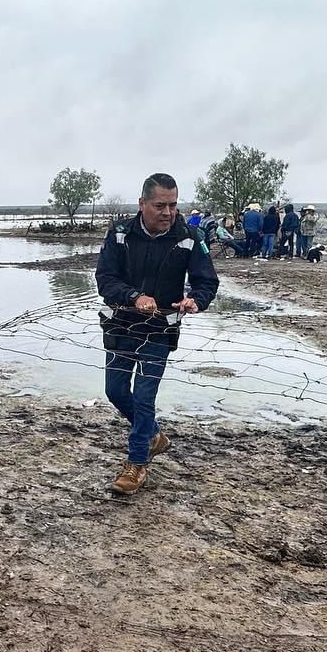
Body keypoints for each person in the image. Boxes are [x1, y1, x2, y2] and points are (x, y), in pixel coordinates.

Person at [95, 173, 219, 495]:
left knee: (145, 396)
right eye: (160, 205)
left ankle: (136, 465)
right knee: (116, 391)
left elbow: (207, 282)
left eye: (173, 205)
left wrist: (196, 300)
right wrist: (134, 297)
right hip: (121, 325)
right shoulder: (120, 233)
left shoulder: (190, 237)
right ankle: (153, 436)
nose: (168, 213)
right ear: (142, 204)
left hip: (161, 330)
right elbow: (105, 280)